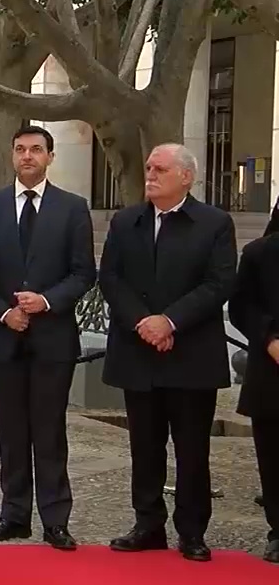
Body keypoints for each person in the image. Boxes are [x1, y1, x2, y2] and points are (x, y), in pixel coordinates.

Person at [99, 143, 236, 562]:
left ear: (186, 177)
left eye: (160, 168)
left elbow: (218, 283)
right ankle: (147, 524)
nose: (151, 174)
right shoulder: (127, 222)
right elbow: (111, 278)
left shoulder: (213, 223)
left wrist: (170, 321)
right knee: (145, 445)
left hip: (191, 353)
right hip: (138, 349)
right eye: (148, 167)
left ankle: (192, 531)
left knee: (192, 448)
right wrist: (145, 322)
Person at [0, 125, 94, 551]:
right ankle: (13, 514)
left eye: (36, 149)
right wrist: (4, 312)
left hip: (53, 339)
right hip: (4, 339)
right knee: (11, 431)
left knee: (50, 431)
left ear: (50, 156)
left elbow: (83, 273)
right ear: (12, 155)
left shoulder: (73, 208)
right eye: (20, 149)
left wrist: (46, 302)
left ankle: (55, 519)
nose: (27, 156)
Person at [227, 229, 279, 563]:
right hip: (272, 369)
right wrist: (270, 339)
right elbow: (242, 306)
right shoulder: (260, 252)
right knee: (274, 458)